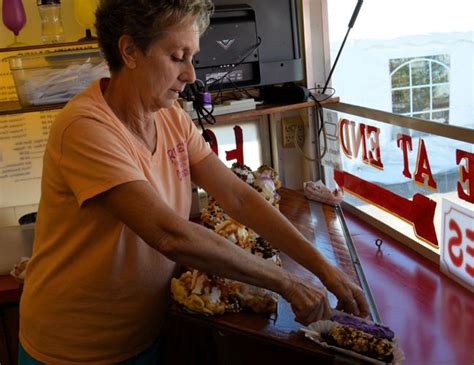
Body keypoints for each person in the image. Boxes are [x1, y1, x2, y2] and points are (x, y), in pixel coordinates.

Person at [19, 0, 369, 363]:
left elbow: (239, 198)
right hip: (73, 347)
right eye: (177, 56)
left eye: (192, 57)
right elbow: (169, 235)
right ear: (130, 51)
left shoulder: (170, 117)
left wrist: (324, 269)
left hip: (145, 331)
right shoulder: (86, 128)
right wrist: (287, 283)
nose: (190, 74)